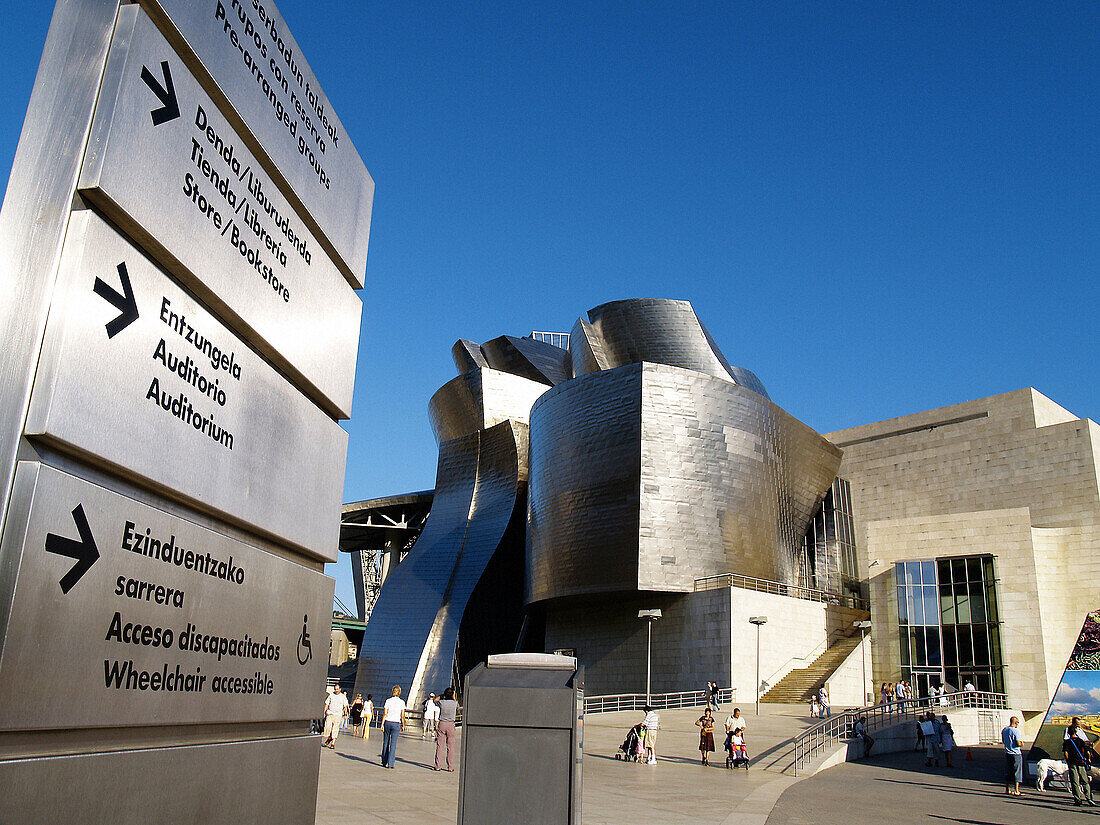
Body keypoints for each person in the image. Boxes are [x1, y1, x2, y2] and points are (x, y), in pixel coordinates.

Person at [1063, 716, 1096, 806]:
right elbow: (1087, 751)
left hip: (1072, 762)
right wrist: (1088, 759)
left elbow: (1066, 753)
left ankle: (1077, 799)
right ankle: (1089, 798)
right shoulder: (1080, 740)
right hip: (1081, 762)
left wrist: (1068, 761)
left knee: (1075, 781)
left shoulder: (1068, 742)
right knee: (1085, 781)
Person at [381, 685, 406, 769]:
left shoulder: (388, 701)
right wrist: (403, 724)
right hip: (396, 723)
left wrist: (382, 724)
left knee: (386, 742)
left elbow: (385, 713)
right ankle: (391, 764)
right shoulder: (402, 702)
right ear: (399, 692)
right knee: (393, 744)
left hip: (388, 722)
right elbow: (402, 715)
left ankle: (384, 761)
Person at [434, 687, 460, 771]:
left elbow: (435, 701)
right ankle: (450, 767)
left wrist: (441, 696)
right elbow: (458, 707)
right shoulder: (455, 703)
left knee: (440, 746)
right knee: (451, 747)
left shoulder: (442, 702)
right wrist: (454, 697)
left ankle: (438, 766)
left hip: (442, 723)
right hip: (451, 725)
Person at [322, 685, 349, 749]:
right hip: (330, 714)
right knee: (328, 728)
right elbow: (327, 704)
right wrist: (324, 712)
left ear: (340, 689)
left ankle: (333, 743)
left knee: (335, 729)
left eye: (337, 689)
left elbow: (345, 706)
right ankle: (330, 737)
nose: (336, 690)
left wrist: (345, 714)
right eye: (335, 689)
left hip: (338, 715)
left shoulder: (343, 697)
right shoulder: (331, 695)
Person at [1002, 716, 1023, 796]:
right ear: (1015, 722)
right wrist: (1021, 743)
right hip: (1016, 753)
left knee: (1008, 771)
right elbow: (1018, 743)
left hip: (1007, 752)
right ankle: (1016, 790)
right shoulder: (1015, 731)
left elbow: (1003, 741)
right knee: (1017, 771)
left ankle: (1007, 789)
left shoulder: (1005, 730)